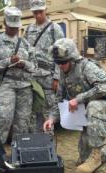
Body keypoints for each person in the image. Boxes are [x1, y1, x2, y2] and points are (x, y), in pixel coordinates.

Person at [43, 38, 106, 173]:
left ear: (72, 58)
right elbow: (59, 99)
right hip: (88, 114)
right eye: (58, 63)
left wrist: (79, 99)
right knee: (83, 159)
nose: (61, 66)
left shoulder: (86, 67)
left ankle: (96, 157)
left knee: (93, 105)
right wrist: (51, 118)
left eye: (63, 62)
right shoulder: (62, 73)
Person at [0, 7, 36, 144]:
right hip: (6, 85)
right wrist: (8, 62)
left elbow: (34, 67)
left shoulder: (25, 44)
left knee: (22, 122)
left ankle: (19, 154)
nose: (13, 30)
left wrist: (24, 64)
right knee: (3, 119)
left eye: (16, 27)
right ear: (5, 23)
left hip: (25, 87)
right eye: (11, 26)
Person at [24, 0, 64, 132]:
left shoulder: (54, 29)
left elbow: (61, 54)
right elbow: (24, 52)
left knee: (48, 112)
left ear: (45, 10)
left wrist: (57, 77)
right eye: (35, 12)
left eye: (40, 12)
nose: (38, 15)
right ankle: (35, 145)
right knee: (33, 113)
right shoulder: (28, 30)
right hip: (32, 77)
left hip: (48, 77)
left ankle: (48, 145)